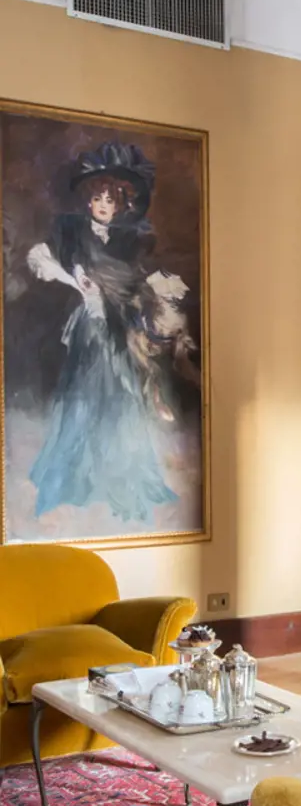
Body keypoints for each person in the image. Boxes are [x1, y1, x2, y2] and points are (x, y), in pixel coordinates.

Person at [25, 142, 185, 523]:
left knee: (122, 399)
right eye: (97, 198)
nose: (102, 205)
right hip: (90, 329)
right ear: (87, 200)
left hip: (119, 328)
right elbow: (37, 257)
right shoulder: (72, 230)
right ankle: (77, 478)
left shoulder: (130, 241)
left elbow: (132, 286)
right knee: (85, 396)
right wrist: (74, 281)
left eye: (110, 200)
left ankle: (120, 477)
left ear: (121, 205)